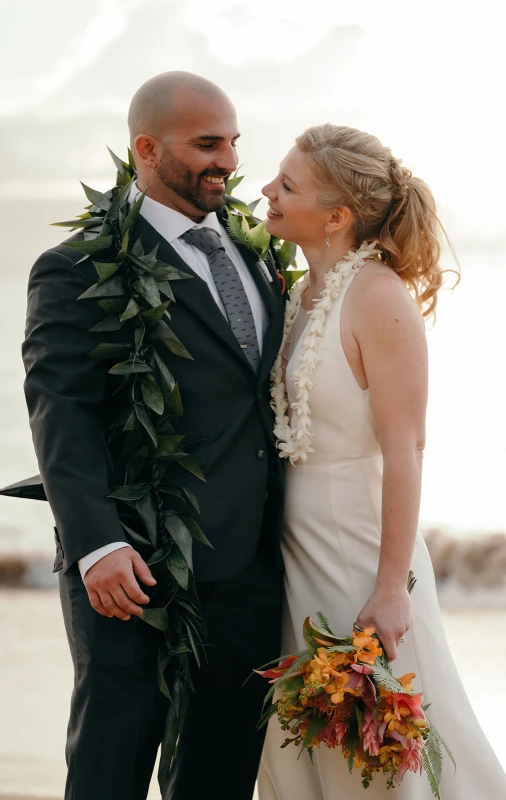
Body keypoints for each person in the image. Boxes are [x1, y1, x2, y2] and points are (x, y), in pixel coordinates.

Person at [7, 72, 285, 800]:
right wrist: (97, 542)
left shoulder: (253, 253)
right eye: (205, 144)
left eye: (231, 141)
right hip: (131, 566)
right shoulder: (76, 269)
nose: (226, 159)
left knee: (220, 774)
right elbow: (58, 407)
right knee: (111, 763)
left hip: (248, 566)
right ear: (146, 149)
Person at [257, 124, 506, 799]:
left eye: (287, 185)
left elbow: (406, 451)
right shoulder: (295, 293)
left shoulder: (376, 298)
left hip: (361, 562)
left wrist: (387, 590)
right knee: (308, 746)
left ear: (336, 215)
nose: (266, 191)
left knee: (382, 757)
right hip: (294, 558)